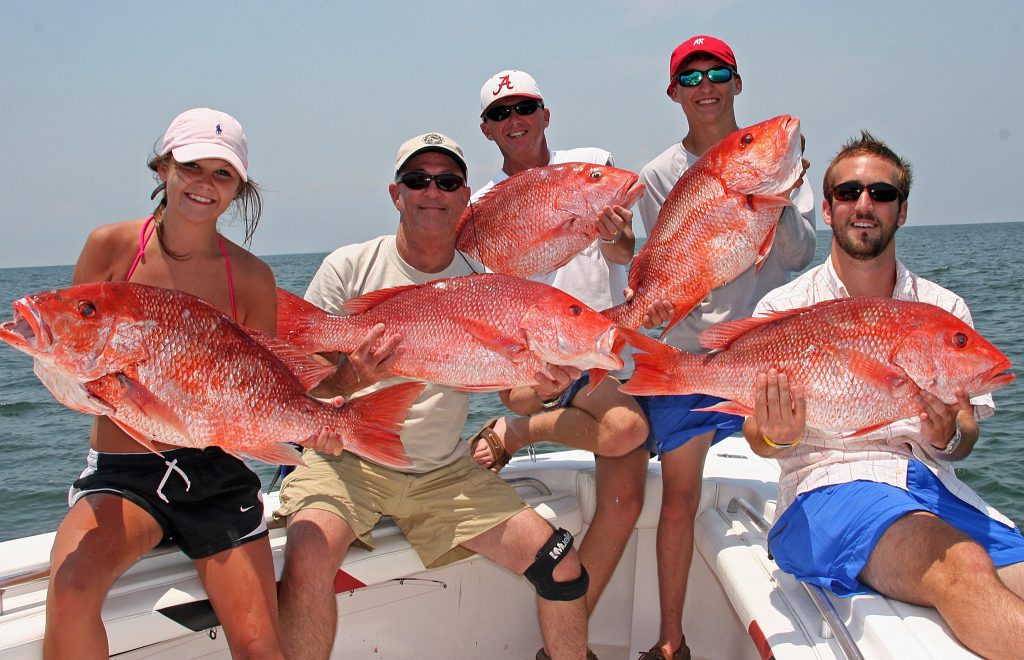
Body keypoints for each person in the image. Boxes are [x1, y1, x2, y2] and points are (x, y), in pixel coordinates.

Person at [275, 132, 591, 660]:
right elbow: (296, 389)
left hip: (444, 471)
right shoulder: (348, 268)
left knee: (560, 562)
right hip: (347, 463)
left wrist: (544, 390)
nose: (432, 192)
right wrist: (353, 378)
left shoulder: (486, 283)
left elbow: (514, 398)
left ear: (465, 196)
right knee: (306, 556)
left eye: (447, 181)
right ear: (396, 194)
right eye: (417, 180)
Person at [743, 131, 1024, 658]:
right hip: (827, 488)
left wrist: (947, 436)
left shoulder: (943, 309)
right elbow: (757, 438)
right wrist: (778, 437)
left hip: (932, 488)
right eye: (848, 193)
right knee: (960, 565)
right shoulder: (785, 309)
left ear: (903, 210)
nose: (864, 205)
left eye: (882, 193)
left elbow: (965, 437)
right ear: (827, 210)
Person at [45, 108, 295, 659]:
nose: (204, 184)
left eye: (222, 174)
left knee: (259, 644)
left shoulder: (253, 278)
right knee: (71, 587)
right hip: (123, 475)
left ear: (238, 189)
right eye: (191, 167)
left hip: (215, 474)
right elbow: (75, 347)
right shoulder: (110, 247)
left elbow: (263, 388)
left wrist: (320, 414)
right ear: (163, 168)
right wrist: (71, 380)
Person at [634, 36, 816, 660]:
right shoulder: (660, 174)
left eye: (718, 73)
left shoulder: (781, 160)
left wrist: (780, 198)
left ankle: (803, 630)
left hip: (765, 351)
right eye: (692, 77)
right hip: (688, 356)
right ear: (674, 93)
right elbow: (667, 266)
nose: (705, 85)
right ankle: (669, 640)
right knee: (680, 496)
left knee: (781, 478)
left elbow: (798, 256)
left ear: (738, 84)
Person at [467, 70, 650, 658]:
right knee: (625, 429)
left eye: (525, 107)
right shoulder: (479, 207)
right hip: (535, 359)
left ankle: (562, 647)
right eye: (501, 114)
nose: (514, 120)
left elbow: (628, 255)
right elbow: (478, 290)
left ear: (546, 113)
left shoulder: (590, 166)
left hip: (604, 351)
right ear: (487, 129)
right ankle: (517, 422)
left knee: (625, 502)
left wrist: (616, 238)